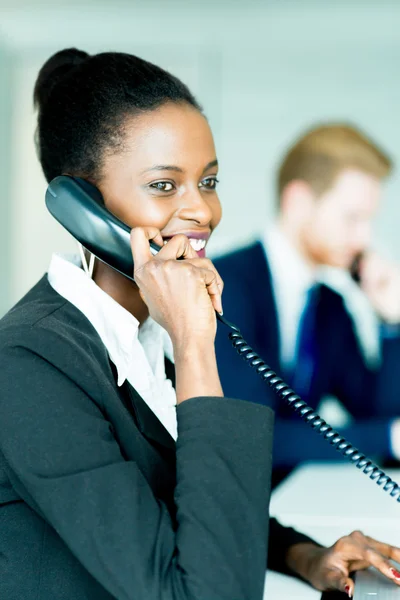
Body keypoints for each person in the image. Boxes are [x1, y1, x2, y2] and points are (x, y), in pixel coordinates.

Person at [0, 49, 399, 600]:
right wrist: (194, 344)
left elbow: (176, 502)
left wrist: (306, 556)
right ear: (82, 207)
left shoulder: (140, 332)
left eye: (207, 181)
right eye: (164, 185)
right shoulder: (31, 362)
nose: (204, 211)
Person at [214, 124, 400, 484]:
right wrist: (389, 437)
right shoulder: (225, 285)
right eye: (353, 218)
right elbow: (250, 435)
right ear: (298, 201)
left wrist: (392, 322)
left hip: (292, 505)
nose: (365, 238)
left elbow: (378, 415)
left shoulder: (329, 306)